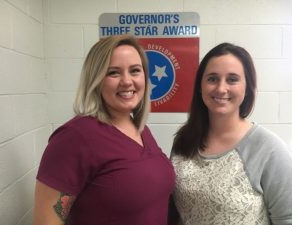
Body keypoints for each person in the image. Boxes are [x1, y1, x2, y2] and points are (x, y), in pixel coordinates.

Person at [34, 34, 175, 225]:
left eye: (135, 70)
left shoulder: (141, 130)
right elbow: (48, 220)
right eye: (113, 72)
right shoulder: (75, 137)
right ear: (96, 79)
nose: (127, 81)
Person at [169, 43, 292, 225]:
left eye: (232, 79)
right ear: (200, 86)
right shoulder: (184, 140)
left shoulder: (269, 149)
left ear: (246, 87)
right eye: (212, 79)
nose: (221, 88)